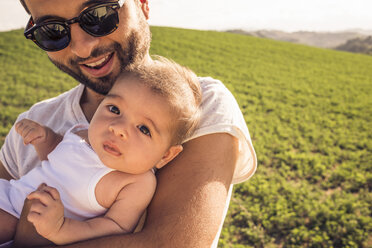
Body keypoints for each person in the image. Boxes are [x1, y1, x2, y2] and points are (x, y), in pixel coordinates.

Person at [0, 0, 257, 247]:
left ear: (142, 3)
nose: (82, 48)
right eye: (52, 31)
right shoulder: (34, 120)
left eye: (99, 14)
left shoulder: (198, 106)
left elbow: (172, 245)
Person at [0, 58, 202, 246]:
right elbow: (57, 161)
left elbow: (115, 226)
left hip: (26, 219)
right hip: (11, 195)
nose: (118, 128)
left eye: (143, 129)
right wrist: (45, 139)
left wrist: (62, 228)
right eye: (114, 109)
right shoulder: (82, 132)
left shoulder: (136, 183)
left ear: (166, 155)